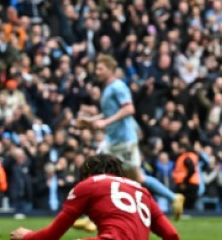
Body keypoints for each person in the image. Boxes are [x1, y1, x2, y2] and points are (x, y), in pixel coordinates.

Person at [78, 54, 185, 230]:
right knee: (97, 174)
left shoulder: (118, 87)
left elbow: (128, 109)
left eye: (100, 68)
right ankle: (92, 216)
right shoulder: (109, 88)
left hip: (124, 141)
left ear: (111, 69)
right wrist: (91, 121)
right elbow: (110, 112)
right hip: (113, 141)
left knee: (133, 178)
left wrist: (104, 123)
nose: (97, 71)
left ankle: (173, 198)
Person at [9, 154, 180, 240]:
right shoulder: (143, 192)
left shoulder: (89, 184)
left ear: (89, 173)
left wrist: (27, 236)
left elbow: (53, 234)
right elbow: (172, 236)